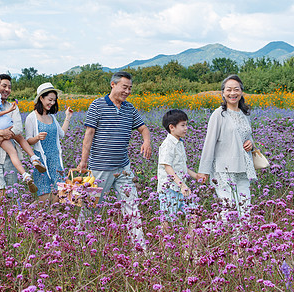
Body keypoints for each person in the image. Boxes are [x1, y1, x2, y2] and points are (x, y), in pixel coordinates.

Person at [77, 71, 152, 251]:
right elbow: (89, 134)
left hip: (123, 167)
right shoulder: (97, 105)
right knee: (89, 209)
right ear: (113, 85)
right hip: (100, 167)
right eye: (124, 87)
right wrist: (83, 162)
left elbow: (143, 129)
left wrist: (147, 141)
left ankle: (140, 250)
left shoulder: (129, 108)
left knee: (132, 206)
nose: (127, 91)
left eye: (130, 88)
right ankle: (78, 245)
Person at [197, 74, 257, 221]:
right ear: (223, 93)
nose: (232, 93)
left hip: (243, 167)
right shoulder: (218, 115)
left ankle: (243, 241)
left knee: (245, 207)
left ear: (241, 92)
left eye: (236, 89)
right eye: (228, 90)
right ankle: (226, 240)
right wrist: (203, 171)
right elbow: (209, 143)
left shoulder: (244, 114)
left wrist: (251, 143)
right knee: (229, 208)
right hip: (224, 169)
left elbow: (245, 136)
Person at [0, 67, 46, 195]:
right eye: (3, 85)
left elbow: (18, 128)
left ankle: (30, 167)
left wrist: (1, 137)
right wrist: (3, 133)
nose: (7, 90)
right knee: (0, 192)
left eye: (9, 87)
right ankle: (31, 164)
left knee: (12, 194)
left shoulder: (12, 107)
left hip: (9, 157)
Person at [25, 82, 74, 201]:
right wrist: (37, 138)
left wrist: (68, 117)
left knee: (60, 194)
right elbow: (27, 141)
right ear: (41, 98)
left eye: (54, 100)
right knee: (44, 195)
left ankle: (55, 218)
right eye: (50, 99)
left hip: (55, 159)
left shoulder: (52, 117)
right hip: (41, 160)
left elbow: (62, 133)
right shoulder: (31, 117)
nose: (52, 103)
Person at [157, 109, 199, 221]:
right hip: (169, 189)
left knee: (194, 214)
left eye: (186, 125)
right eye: (183, 125)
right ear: (172, 127)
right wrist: (181, 185)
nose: (186, 128)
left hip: (181, 187)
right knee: (167, 219)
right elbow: (168, 167)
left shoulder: (179, 143)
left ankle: (192, 238)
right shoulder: (167, 144)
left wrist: (196, 176)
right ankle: (164, 238)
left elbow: (182, 167)